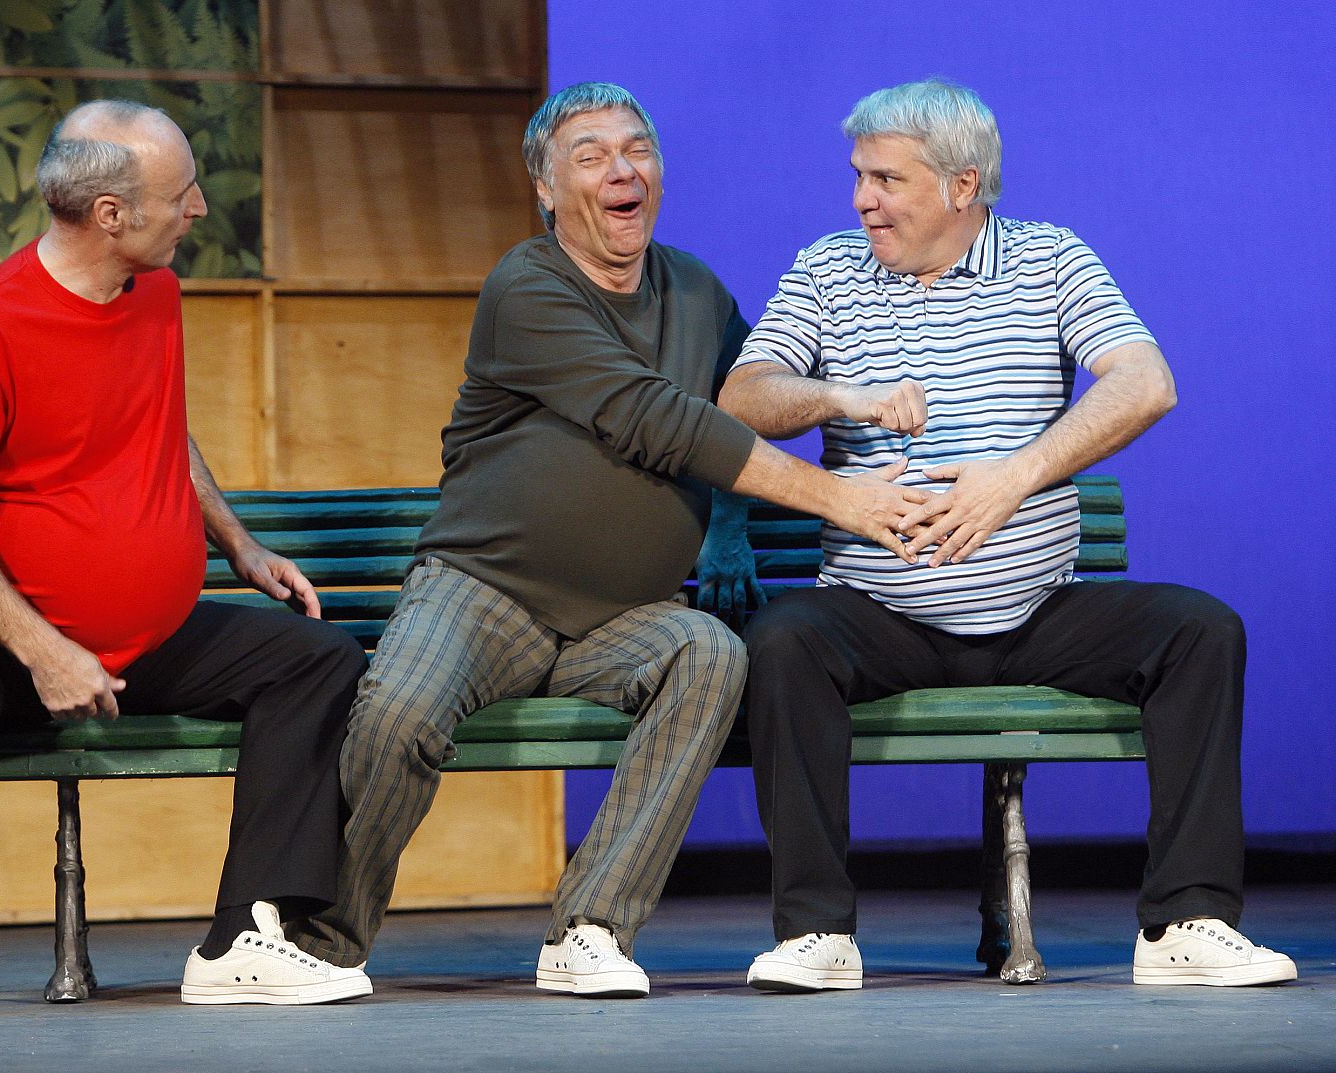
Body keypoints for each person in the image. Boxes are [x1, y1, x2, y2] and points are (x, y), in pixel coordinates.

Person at [280, 82, 930, 999]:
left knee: (708, 652)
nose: (622, 170)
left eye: (638, 150)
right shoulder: (527, 283)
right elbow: (655, 418)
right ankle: (326, 938)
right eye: (591, 156)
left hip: (628, 617)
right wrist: (840, 499)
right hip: (485, 591)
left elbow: (745, 400)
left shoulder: (697, 291)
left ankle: (590, 925)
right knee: (398, 711)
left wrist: (736, 524)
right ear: (547, 190)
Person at [0, 100, 371, 1018]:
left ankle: (242, 936)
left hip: (139, 634)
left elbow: (164, 425)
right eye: (183, 195)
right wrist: (43, 648)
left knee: (317, 660)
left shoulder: (157, 294)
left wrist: (238, 543)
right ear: (111, 215)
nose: (200, 210)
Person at [720, 78, 1296, 992]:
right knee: (783, 641)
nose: (862, 198)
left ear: (962, 185)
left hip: (1035, 612)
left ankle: (1187, 919)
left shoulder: (1050, 260)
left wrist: (1013, 478)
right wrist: (839, 395)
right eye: (858, 176)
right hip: (879, 614)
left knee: (1202, 632)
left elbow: (1145, 381)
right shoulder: (829, 269)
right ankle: (816, 932)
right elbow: (742, 398)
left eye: (886, 179)